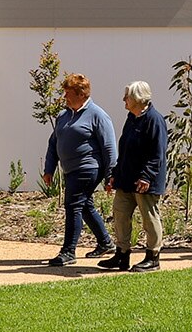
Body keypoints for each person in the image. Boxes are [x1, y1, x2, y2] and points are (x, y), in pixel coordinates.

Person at [41, 73, 115, 266]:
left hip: (89, 167)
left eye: (68, 93)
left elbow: (109, 147)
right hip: (71, 169)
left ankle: (68, 251)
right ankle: (105, 242)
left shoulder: (97, 114)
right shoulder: (64, 116)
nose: (64, 97)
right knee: (85, 206)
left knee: (73, 205)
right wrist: (49, 168)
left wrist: (110, 174)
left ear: (81, 93)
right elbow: (53, 143)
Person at [99, 80, 167, 272]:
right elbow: (125, 149)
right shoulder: (132, 117)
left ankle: (153, 257)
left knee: (149, 218)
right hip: (126, 179)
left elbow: (158, 154)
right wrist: (115, 174)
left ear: (138, 99)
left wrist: (147, 176)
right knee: (120, 213)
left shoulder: (155, 120)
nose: (123, 100)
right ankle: (122, 254)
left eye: (127, 96)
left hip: (146, 181)